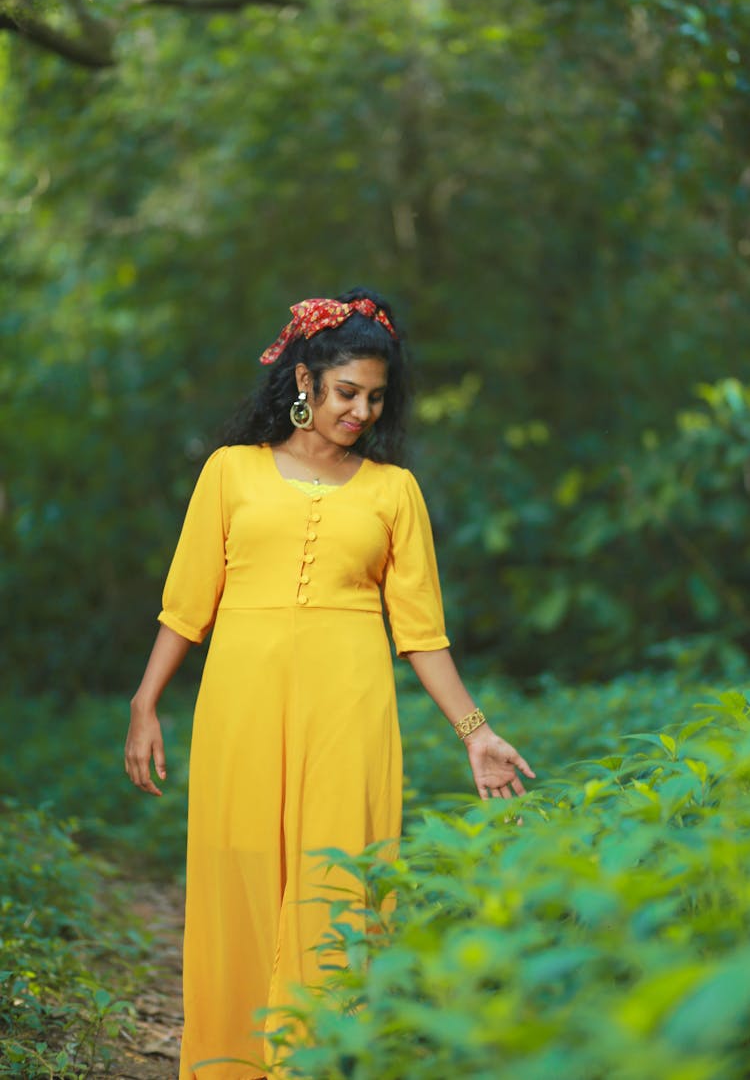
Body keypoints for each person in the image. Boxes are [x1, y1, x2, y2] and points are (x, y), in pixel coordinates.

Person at [124, 287, 535, 1080]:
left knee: (341, 880)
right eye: (348, 392)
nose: (361, 410)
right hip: (241, 703)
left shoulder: (394, 492)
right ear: (305, 381)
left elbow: (421, 634)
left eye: (376, 398)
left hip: (350, 707)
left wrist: (475, 730)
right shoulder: (230, 472)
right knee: (237, 870)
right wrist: (146, 701)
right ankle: (229, 1062)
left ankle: (318, 1062)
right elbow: (186, 604)